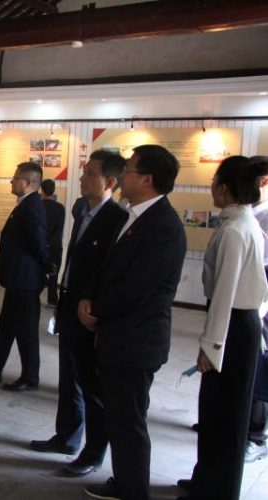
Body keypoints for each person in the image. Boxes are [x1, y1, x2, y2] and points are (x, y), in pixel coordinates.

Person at [78, 145, 186, 500]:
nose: (122, 176)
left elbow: (138, 287)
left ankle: (133, 490)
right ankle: (124, 481)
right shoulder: (135, 216)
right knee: (121, 417)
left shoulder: (163, 226)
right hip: (120, 337)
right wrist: (90, 299)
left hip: (136, 341)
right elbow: (111, 270)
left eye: (129, 170)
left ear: (147, 179)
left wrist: (97, 310)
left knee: (129, 421)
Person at [30, 151, 127, 477]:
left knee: (92, 385)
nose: (82, 178)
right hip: (70, 304)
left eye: (90, 173)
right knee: (69, 378)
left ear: (110, 182)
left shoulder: (116, 218)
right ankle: (67, 437)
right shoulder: (83, 210)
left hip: (90, 312)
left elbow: (110, 271)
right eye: (84, 171)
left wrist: (94, 306)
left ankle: (93, 452)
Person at [176, 157, 268, 500]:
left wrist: (212, 345)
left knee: (226, 415)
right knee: (215, 411)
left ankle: (217, 490)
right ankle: (206, 479)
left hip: (234, 326)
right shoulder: (242, 221)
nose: (211, 187)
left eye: (214, 181)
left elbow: (225, 294)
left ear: (225, 188)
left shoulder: (235, 229)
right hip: (239, 323)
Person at [0, 162, 50, 392]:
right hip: (17, 280)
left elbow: (38, 241)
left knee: (26, 331)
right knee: (6, 326)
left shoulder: (32, 206)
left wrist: (48, 265)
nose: (11, 182)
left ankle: (30, 377)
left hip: (25, 281)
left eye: (15, 178)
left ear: (29, 182)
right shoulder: (24, 205)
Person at [246, 155, 268, 463]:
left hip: (260, 306)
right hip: (243, 303)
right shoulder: (248, 214)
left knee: (258, 367)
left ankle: (255, 434)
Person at [40, 179, 65, 307]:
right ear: (53, 190)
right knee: (53, 274)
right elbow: (59, 230)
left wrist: (43, 243)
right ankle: (52, 300)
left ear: (42, 190)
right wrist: (50, 243)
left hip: (40, 245)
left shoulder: (38, 206)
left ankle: (33, 296)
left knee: (38, 272)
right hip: (55, 247)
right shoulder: (60, 208)